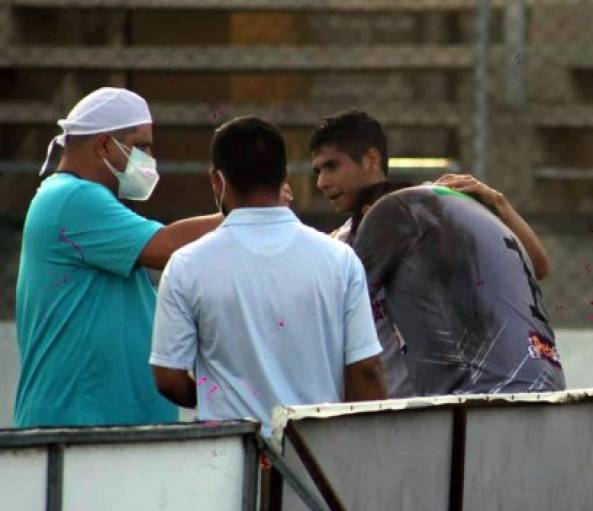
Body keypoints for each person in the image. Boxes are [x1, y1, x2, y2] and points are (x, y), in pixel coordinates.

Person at [150, 116, 386, 433]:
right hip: (315, 457)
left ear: (217, 181)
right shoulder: (339, 260)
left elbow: (168, 377)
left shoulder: (187, 264)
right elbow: (365, 371)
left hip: (230, 458)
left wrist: (215, 398)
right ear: (284, 177)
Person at [310, 110, 565, 396]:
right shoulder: (341, 244)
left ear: (371, 159)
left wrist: (498, 204)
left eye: (332, 166)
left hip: (453, 398)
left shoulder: (429, 214)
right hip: (392, 406)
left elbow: (536, 266)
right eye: (318, 171)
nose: (322, 182)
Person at [14, 87, 224, 428]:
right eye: (140, 146)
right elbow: (167, 248)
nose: (149, 157)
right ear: (104, 145)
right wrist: (246, 209)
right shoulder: (73, 197)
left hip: (106, 427)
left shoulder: (80, 201)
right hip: (80, 426)